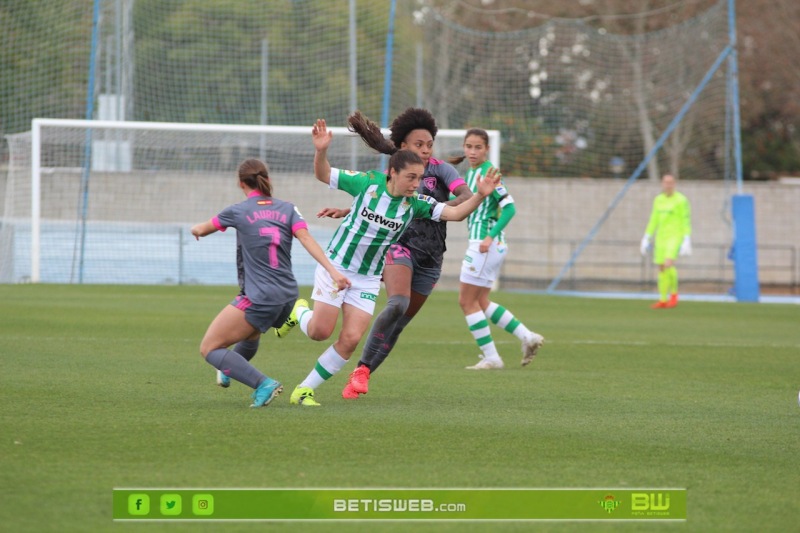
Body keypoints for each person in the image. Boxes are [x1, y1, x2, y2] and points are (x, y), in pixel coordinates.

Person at [281, 119, 500, 406]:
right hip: (338, 266)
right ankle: (299, 312)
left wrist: (481, 196)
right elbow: (323, 175)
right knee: (320, 332)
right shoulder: (367, 183)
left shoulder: (416, 203)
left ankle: (305, 389)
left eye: (419, 178)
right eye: (410, 177)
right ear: (392, 172)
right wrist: (321, 151)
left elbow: (455, 214)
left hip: (368, 277)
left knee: (350, 340)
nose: (416, 184)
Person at [191, 158, 350, 408]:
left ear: (241, 183)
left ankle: (263, 383)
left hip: (260, 297)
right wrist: (333, 272)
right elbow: (306, 238)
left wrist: (195, 230)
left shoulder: (238, 211)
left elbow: (202, 229)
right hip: (287, 297)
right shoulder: (288, 209)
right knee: (251, 332)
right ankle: (231, 367)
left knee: (209, 348)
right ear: (268, 180)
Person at [450, 129, 544, 370]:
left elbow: (510, 208)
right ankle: (527, 336)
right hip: (489, 245)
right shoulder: (472, 173)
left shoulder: (489, 173)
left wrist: (489, 238)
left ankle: (492, 357)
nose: (472, 151)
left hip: (484, 244)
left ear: (487, 149)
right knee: (480, 300)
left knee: (465, 301)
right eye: (468, 146)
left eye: (477, 147)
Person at [640, 174, 692, 308]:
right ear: (662, 184)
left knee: (668, 263)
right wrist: (647, 236)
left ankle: (674, 295)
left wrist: (687, 238)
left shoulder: (681, 200)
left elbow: (685, 219)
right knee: (661, 267)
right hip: (661, 237)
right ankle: (663, 299)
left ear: (674, 184)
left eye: (670, 183)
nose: (668, 185)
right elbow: (654, 219)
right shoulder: (658, 200)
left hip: (675, 236)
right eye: (665, 183)